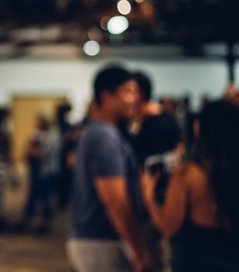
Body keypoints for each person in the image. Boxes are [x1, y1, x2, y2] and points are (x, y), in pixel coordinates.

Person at [67, 65, 152, 272]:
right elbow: (115, 200)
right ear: (106, 96)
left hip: (97, 240)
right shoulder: (104, 137)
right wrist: (139, 249)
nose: (134, 98)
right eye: (128, 91)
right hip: (103, 242)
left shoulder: (102, 134)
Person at [141, 99, 239, 271]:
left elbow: (169, 226)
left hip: (197, 262)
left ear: (199, 127)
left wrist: (149, 196)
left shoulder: (189, 174)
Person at [24, 115, 58, 231]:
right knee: (36, 194)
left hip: (45, 170)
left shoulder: (48, 137)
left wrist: (33, 151)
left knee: (45, 196)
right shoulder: (43, 135)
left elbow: (40, 153)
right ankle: (32, 218)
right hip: (40, 170)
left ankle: (45, 221)